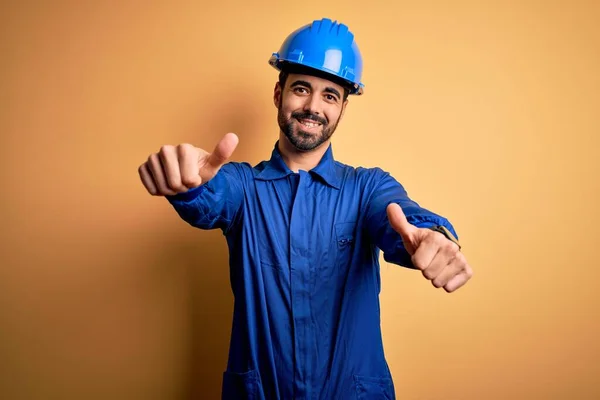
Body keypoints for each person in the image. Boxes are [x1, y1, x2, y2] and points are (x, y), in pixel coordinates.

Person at [138, 17, 473, 400]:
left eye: (330, 95)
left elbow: (402, 219)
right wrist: (186, 185)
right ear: (279, 94)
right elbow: (209, 198)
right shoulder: (243, 187)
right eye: (301, 89)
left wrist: (434, 238)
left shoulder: (368, 188)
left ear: (343, 108)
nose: (313, 107)